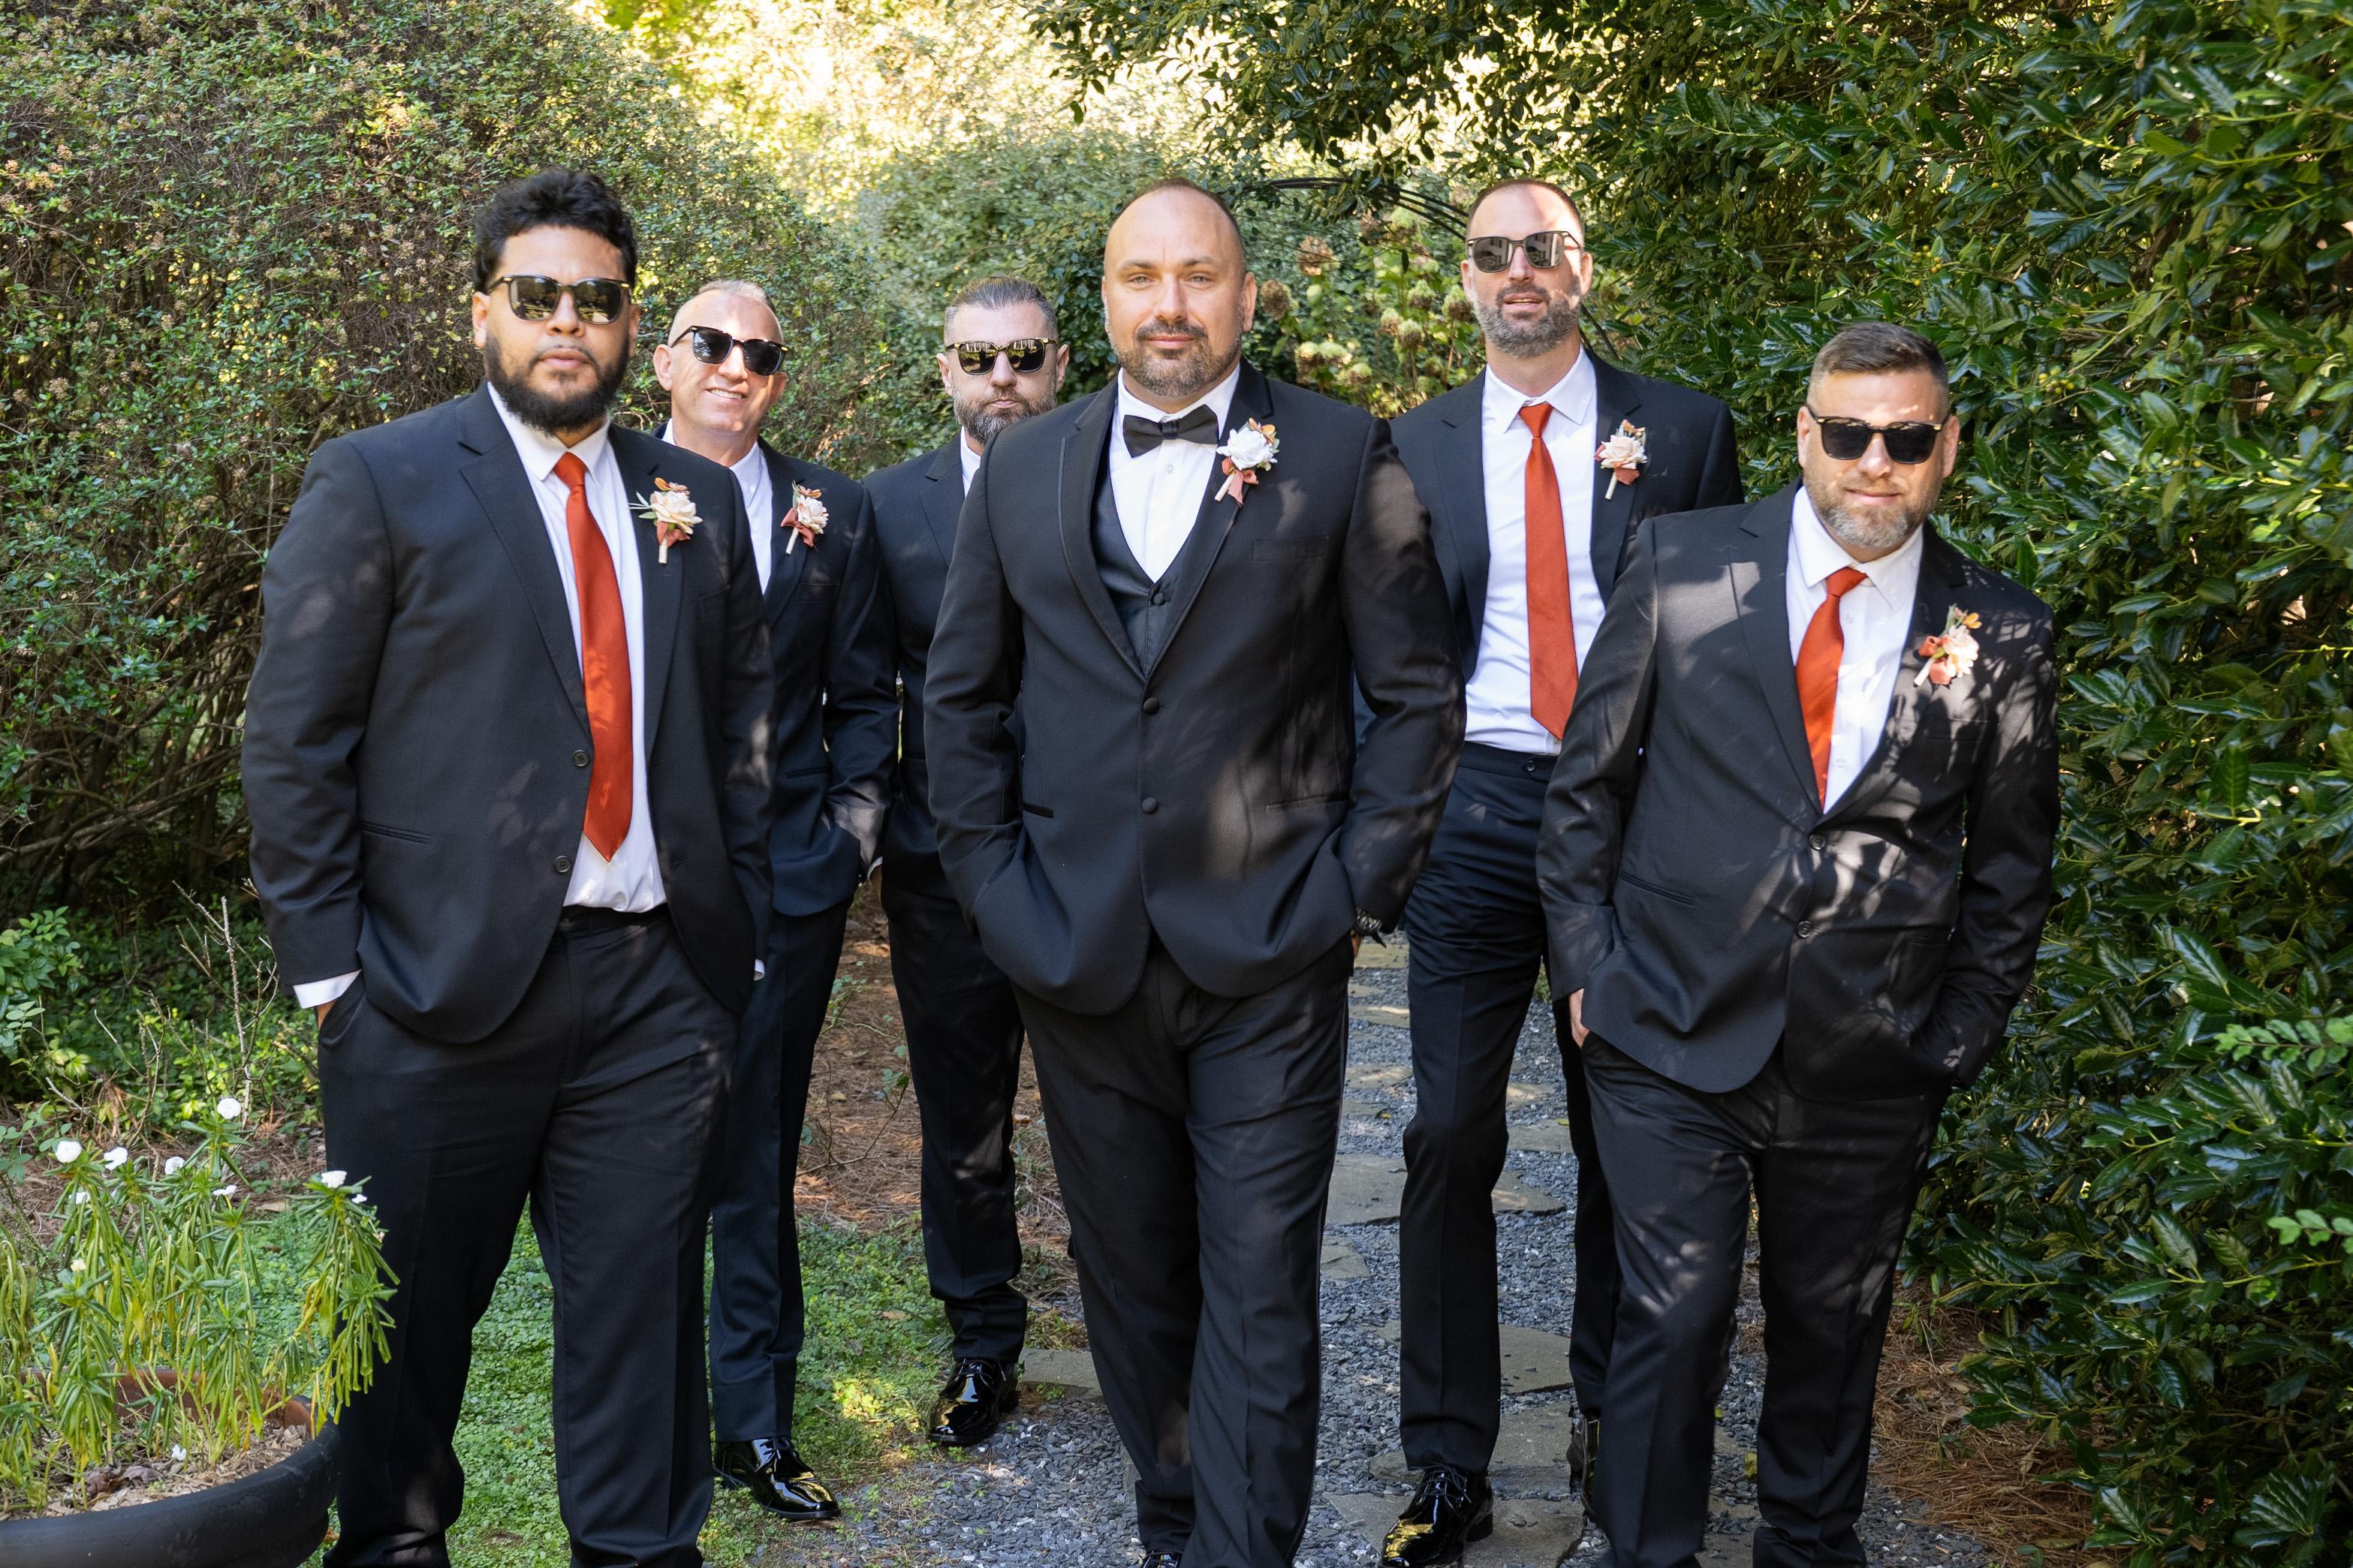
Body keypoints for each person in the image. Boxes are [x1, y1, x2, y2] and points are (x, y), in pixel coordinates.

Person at [923, 179, 1464, 1568]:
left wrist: (1351, 891)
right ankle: (1172, 1522)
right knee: (1130, 1274)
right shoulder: (1025, 468)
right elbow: (962, 701)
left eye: (1199, 276)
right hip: (1073, 947)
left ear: (1244, 294)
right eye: (1140, 278)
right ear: (1105, 297)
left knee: (1262, 1283)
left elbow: (1414, 696)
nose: (1170, 305)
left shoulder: (1340, 452)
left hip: (1270, 948)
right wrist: (997, 895)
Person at [243, 168, 773, 1568]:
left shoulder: (693, 500)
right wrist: (332, 980)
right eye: (536, 294)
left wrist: (736, 943)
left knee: (642, 1337)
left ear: (631, 322)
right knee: (404, 1344)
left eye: (596, 298)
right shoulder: (382, 479)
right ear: (481, 310)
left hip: (657, 995)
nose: (566, 321)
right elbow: (293, 742)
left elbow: (740, 731)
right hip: (427, 997)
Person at [1538, 323, 2058, 1568]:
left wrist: (1955, 1035)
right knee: (1673, 1316)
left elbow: (2010, 867)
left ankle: (1808, 1546)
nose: (1874, 461)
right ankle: (1645, 1549)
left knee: (1832, 1331)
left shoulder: (2002, 628)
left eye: (1905, 438)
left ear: (1945, 449)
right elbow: (1585, 789)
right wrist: (1588, 969)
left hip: (1870, 1053)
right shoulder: (1680, 562)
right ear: (1802, 436)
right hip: (1666, 1027)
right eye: (1848, 432)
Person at [1379, 176, 1743, 1567]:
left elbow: (1728, 647)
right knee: (1446, 1132)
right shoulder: (1409, 442)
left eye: (1543, 248)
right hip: (1472, 807)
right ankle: (1446, 1455)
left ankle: (1611, 1419)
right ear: (1465, 278)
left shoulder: (1685, 430)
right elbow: (1383, 640)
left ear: (1583, 267)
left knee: (1624, 1135)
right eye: (1492, 252)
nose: (1517, 270)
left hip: (1634, 817)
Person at [654, 278, 895, 1519]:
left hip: (787, 890)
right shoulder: (603, 488)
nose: (733, 365)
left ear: (777, 378)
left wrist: (846, 844)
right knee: (642, 1167)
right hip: (639, 897)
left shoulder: (832, 512)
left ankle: (755, 1421)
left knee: (757, 1151)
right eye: (710, 342)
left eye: (758, 351)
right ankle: (650, 1430)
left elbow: (864, 696)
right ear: (664, 360)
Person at [863, 274, 1070, 1449]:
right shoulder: (887, 507)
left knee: (1107, 1111)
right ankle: (983, 1339)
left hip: (1089, 863)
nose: (1002, 378)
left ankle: (1146, 1335)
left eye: (1023, 357)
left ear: (1059, 367)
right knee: (963, 1119)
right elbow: (860, 684)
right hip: (942, 865)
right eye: (978, 357)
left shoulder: (1111, 482)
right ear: (943, 368)